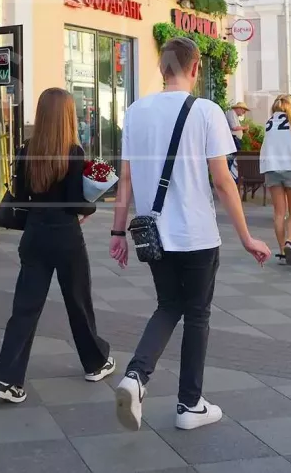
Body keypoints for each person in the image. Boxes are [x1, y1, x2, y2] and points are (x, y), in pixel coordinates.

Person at [109, 37, 270, 432]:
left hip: (153, 235)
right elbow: (223, 182)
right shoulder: (206, 111)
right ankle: (189, 404)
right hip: (196, 234)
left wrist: (117, 231)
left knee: (167, 306)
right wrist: (247, 237)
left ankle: (136, 376)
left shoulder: (135, 111)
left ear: (162, 68)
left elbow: (125, 178)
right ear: (195, 68)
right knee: (197, 315)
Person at [0, 88, 113, 404]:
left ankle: (6, 378)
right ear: (68, 116)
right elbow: (78, 205)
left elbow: (20, 193)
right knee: (78, 302)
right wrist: (90, 204)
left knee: (24, 309)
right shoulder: (73, 153)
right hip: (66, 237)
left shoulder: (25, 150)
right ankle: (95, 362)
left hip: (33, 236)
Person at [259, 95, 291, 265]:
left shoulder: (269, 123)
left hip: (272, 169)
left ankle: (281, 250)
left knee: (279, 213)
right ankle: (290, 242)